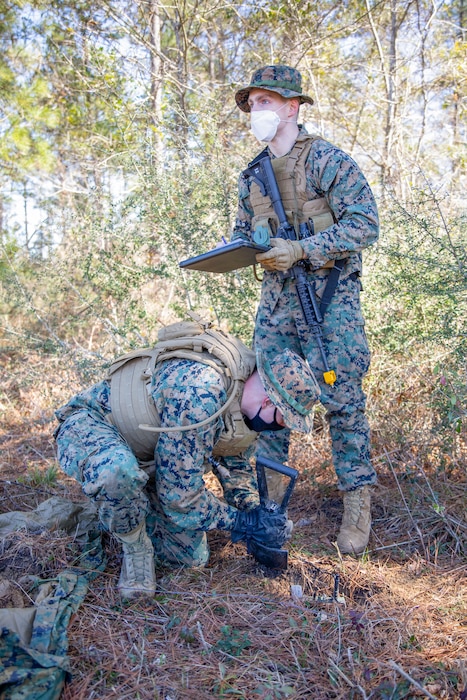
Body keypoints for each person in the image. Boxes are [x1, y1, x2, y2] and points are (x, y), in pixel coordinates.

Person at [54, 318, 320, 598]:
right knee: (116, 473)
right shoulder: (201, 393)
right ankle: (134, 544)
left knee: (187, 559)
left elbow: (235, 462)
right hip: (92, 426)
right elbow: (180, 498)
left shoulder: (244, 397)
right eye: (282, 419)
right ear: (269, 401)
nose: (279, 427)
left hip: (149, 455)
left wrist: (255, 513)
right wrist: (242, 523)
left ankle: (126, 506)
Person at [231, 65, 379, 555]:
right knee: (268, 402)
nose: (258, 111)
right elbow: (240, 235)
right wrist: (243, 248)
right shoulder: (251, 177)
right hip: (275, 308)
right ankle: (272, 505)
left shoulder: (328, 161)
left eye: (267, 102)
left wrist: (303, 250)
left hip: (329, 303)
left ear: (293, 107)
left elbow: (364, 225)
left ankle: (357, 504)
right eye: (253, 103)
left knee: (343, 399)